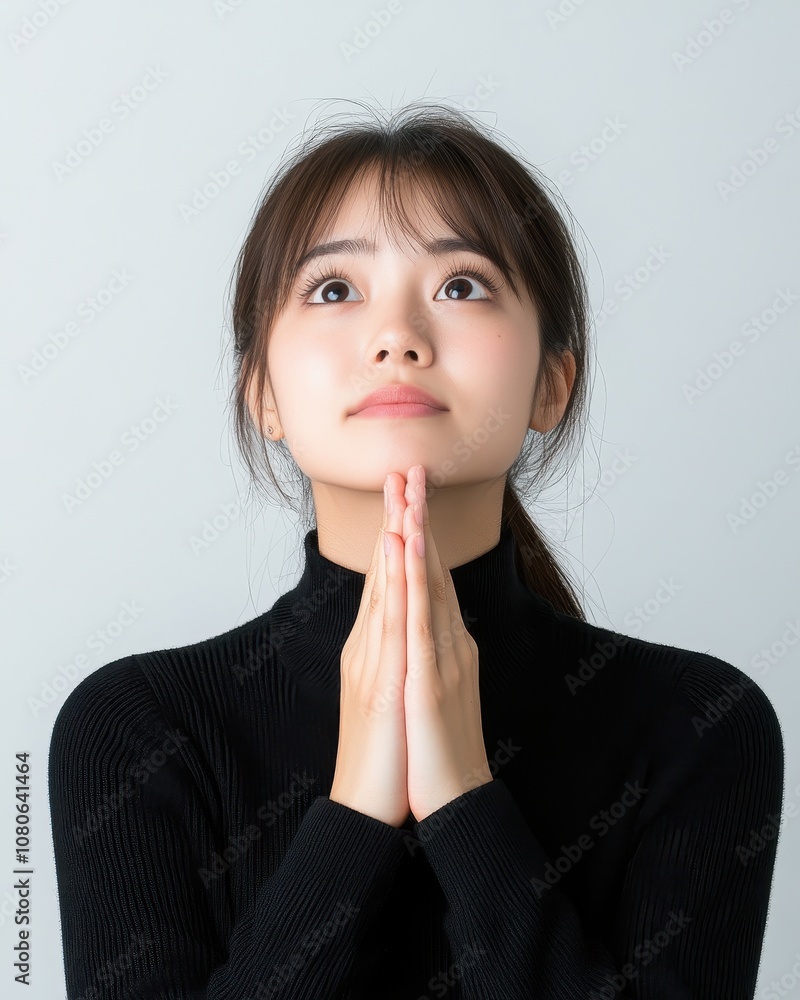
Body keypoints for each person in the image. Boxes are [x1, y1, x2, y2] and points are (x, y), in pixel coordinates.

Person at [48, 101, 784, 999]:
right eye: (334, 290)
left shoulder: (697, 727)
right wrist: (355, 812)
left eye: (461, 285)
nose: (397, 338)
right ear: (263, 395)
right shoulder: (133, 731)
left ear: (553, 381)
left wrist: (466, 802)